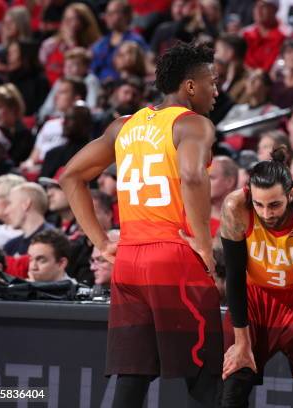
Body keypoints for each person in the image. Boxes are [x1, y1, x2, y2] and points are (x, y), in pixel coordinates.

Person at [60, 42, 222, 408]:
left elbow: (70, 176)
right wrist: (203, 242)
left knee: (133, 378)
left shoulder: (124, 126)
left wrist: (102, 244)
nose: (216, 89)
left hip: (129, 262)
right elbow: (194, 176)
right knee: (206, 376)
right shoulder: (193, 123)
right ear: (190, 86)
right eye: (212, 81)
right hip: (173, 257)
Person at [219, 147, 293, 407]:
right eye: (259, 205)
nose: (266, 213)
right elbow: (235, 277)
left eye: (274, 205)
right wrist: (241, 342)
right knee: (231, 389)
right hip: (255, 298)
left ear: (291, 194)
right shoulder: (234, 206)